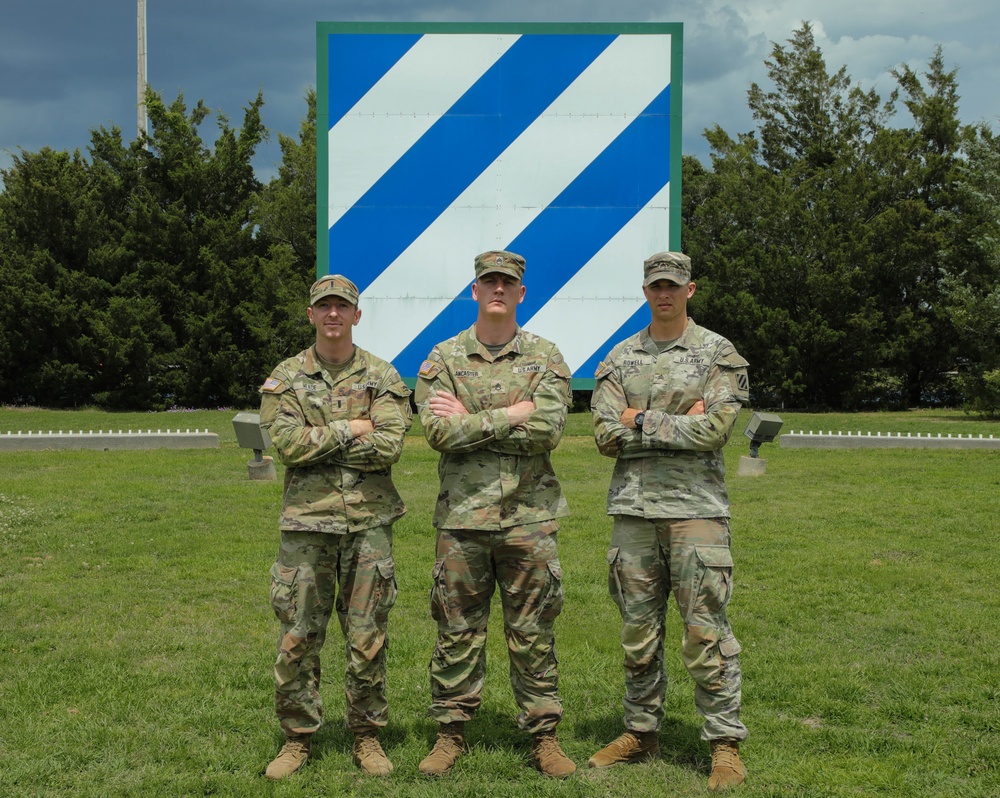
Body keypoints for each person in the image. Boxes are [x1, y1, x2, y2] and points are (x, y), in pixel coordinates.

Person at [589, 251, 750, 791]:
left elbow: (716, 431)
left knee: (705, 630)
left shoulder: (716, 353)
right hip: (633, 512)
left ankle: (724, 744)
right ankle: (641, 731)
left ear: (691, 290)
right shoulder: (621, 356)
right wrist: (679, 420)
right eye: (656, 286)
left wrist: (640, 418)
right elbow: (605, 436)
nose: (664, 294)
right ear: (645, 290)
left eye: (673, 286)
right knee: (638, 631)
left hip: (696, 511)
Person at [414, 250, 576, 779]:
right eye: (490, 281)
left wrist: (474, 418)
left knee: (533, 632)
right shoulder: (443, 358)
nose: (498, 289)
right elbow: (438, 433)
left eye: (508, 282)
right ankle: (449, 733)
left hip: (530, 519)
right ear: (475, 290)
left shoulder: (546, 357)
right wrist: (513, 412)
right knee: (457, 630)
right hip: (462, 519)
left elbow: (549, 431)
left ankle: (544, 736)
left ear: (521, 292)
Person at [258, 274, 412, 780]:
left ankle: (367, 736)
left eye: (342, 307)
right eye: (323, 306)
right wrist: (352, 427)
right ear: (310, 314)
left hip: (368, 524)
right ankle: (297, 738)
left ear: (356, 315)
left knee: (367, 635)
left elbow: (390, 444)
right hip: (307, 526)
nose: (332, 315)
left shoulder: (382, 375)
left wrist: (319, 438)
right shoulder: (286, 377)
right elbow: (285, 445)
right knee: (298, 633)